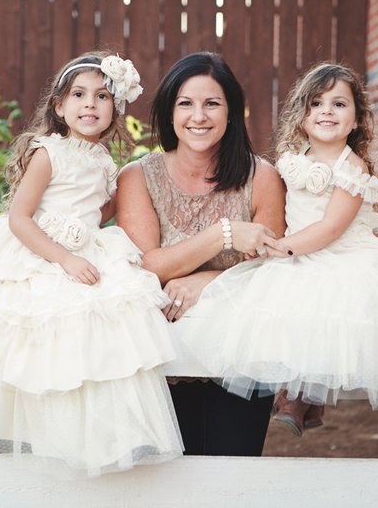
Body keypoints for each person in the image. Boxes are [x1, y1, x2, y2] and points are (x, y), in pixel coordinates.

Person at [182, 63, 378, 437]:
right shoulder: (293, 161)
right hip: (301, 251)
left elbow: (330, 228)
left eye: (339, 104)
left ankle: (300, 398)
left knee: (323, 306)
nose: (327, 111)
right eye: (316, 103)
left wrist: (279, 248)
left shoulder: (352, 167)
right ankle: (308, 402)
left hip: (342, 255)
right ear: (302, 118)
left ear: (356, 121)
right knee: (280, 306)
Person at [0, 52, 183, 478]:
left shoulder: (105, 162)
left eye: (101, 96)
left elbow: (103, 210)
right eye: (78, 95)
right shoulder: (49, 153)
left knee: (109, 323)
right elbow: (20, 219)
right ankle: (51, 443)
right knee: (56, 329)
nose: (89, 104)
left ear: (115, 108)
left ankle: (98, 435)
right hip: (47, 253)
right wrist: (63, 258)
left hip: (88, 250)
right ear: (59, 106)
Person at [117, 52, 289, 456]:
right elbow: (147, 266)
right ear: (168, 112)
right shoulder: (139, 177)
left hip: (243, 359)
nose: (199, 115)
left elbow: (276, 269)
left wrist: (208, 281)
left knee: (233, 475)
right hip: (162, 358)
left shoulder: (261, 177)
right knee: (168, 483)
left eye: (212, 103)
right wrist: (223, 235)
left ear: (231, 112)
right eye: (186, 103)